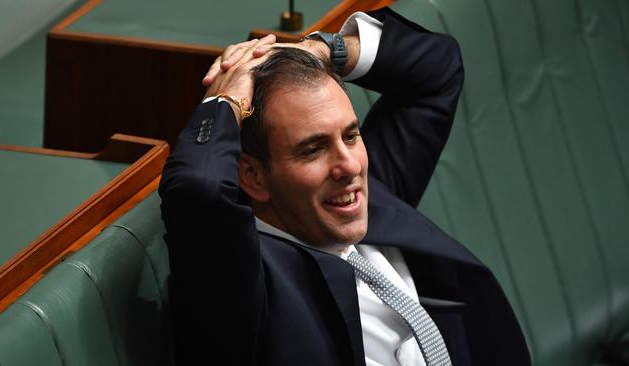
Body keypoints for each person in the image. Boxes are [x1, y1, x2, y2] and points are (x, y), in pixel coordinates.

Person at [159, 7, 530, 366]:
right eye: (313, 149)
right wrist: (224, 101)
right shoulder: (246, 287)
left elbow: (438, 67)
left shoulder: (369, 194)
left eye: (351, 136)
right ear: (253, 176)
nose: (350, 166)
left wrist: (322, 51)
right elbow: (199, 189)